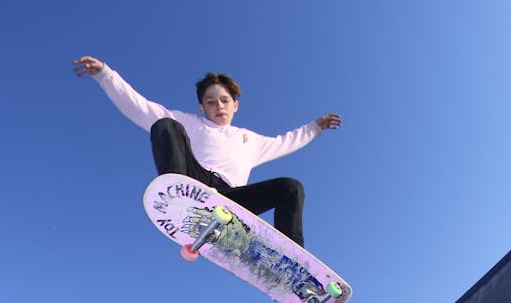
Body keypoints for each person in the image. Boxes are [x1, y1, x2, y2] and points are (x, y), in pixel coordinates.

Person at [72, 56, 341, 249]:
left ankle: (290, 258)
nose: (218, 107)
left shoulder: (252, 140)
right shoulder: (189, 122)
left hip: (231, 201)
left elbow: (288, 141)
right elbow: (139, 107)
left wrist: (315, 127)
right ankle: (178, 197)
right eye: (210, 102)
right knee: (165, 124)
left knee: (291, 187)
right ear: (201, 107)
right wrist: (106, 76)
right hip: (193, 186)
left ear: (235, 104)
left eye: (224, 101)